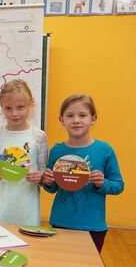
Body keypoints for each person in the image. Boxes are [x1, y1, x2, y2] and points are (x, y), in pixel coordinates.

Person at [43, 94, 124, 253]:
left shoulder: (104, 150)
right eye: (70, 116)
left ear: (93, 119)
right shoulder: (57, 150)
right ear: (61, 120)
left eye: (82, 115)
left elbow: (119, 185)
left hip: (93, 226)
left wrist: (102, 183)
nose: (76, 120)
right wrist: (48, 181)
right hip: (61, 223)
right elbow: (52, 188)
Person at [0, 79, 48, 226]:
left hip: (25, 205)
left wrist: (40, 177)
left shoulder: (39, 136)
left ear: (30, 105)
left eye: (20, 107)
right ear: (2, 108)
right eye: (8, 108)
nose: (15, 113)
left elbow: (44, 175)